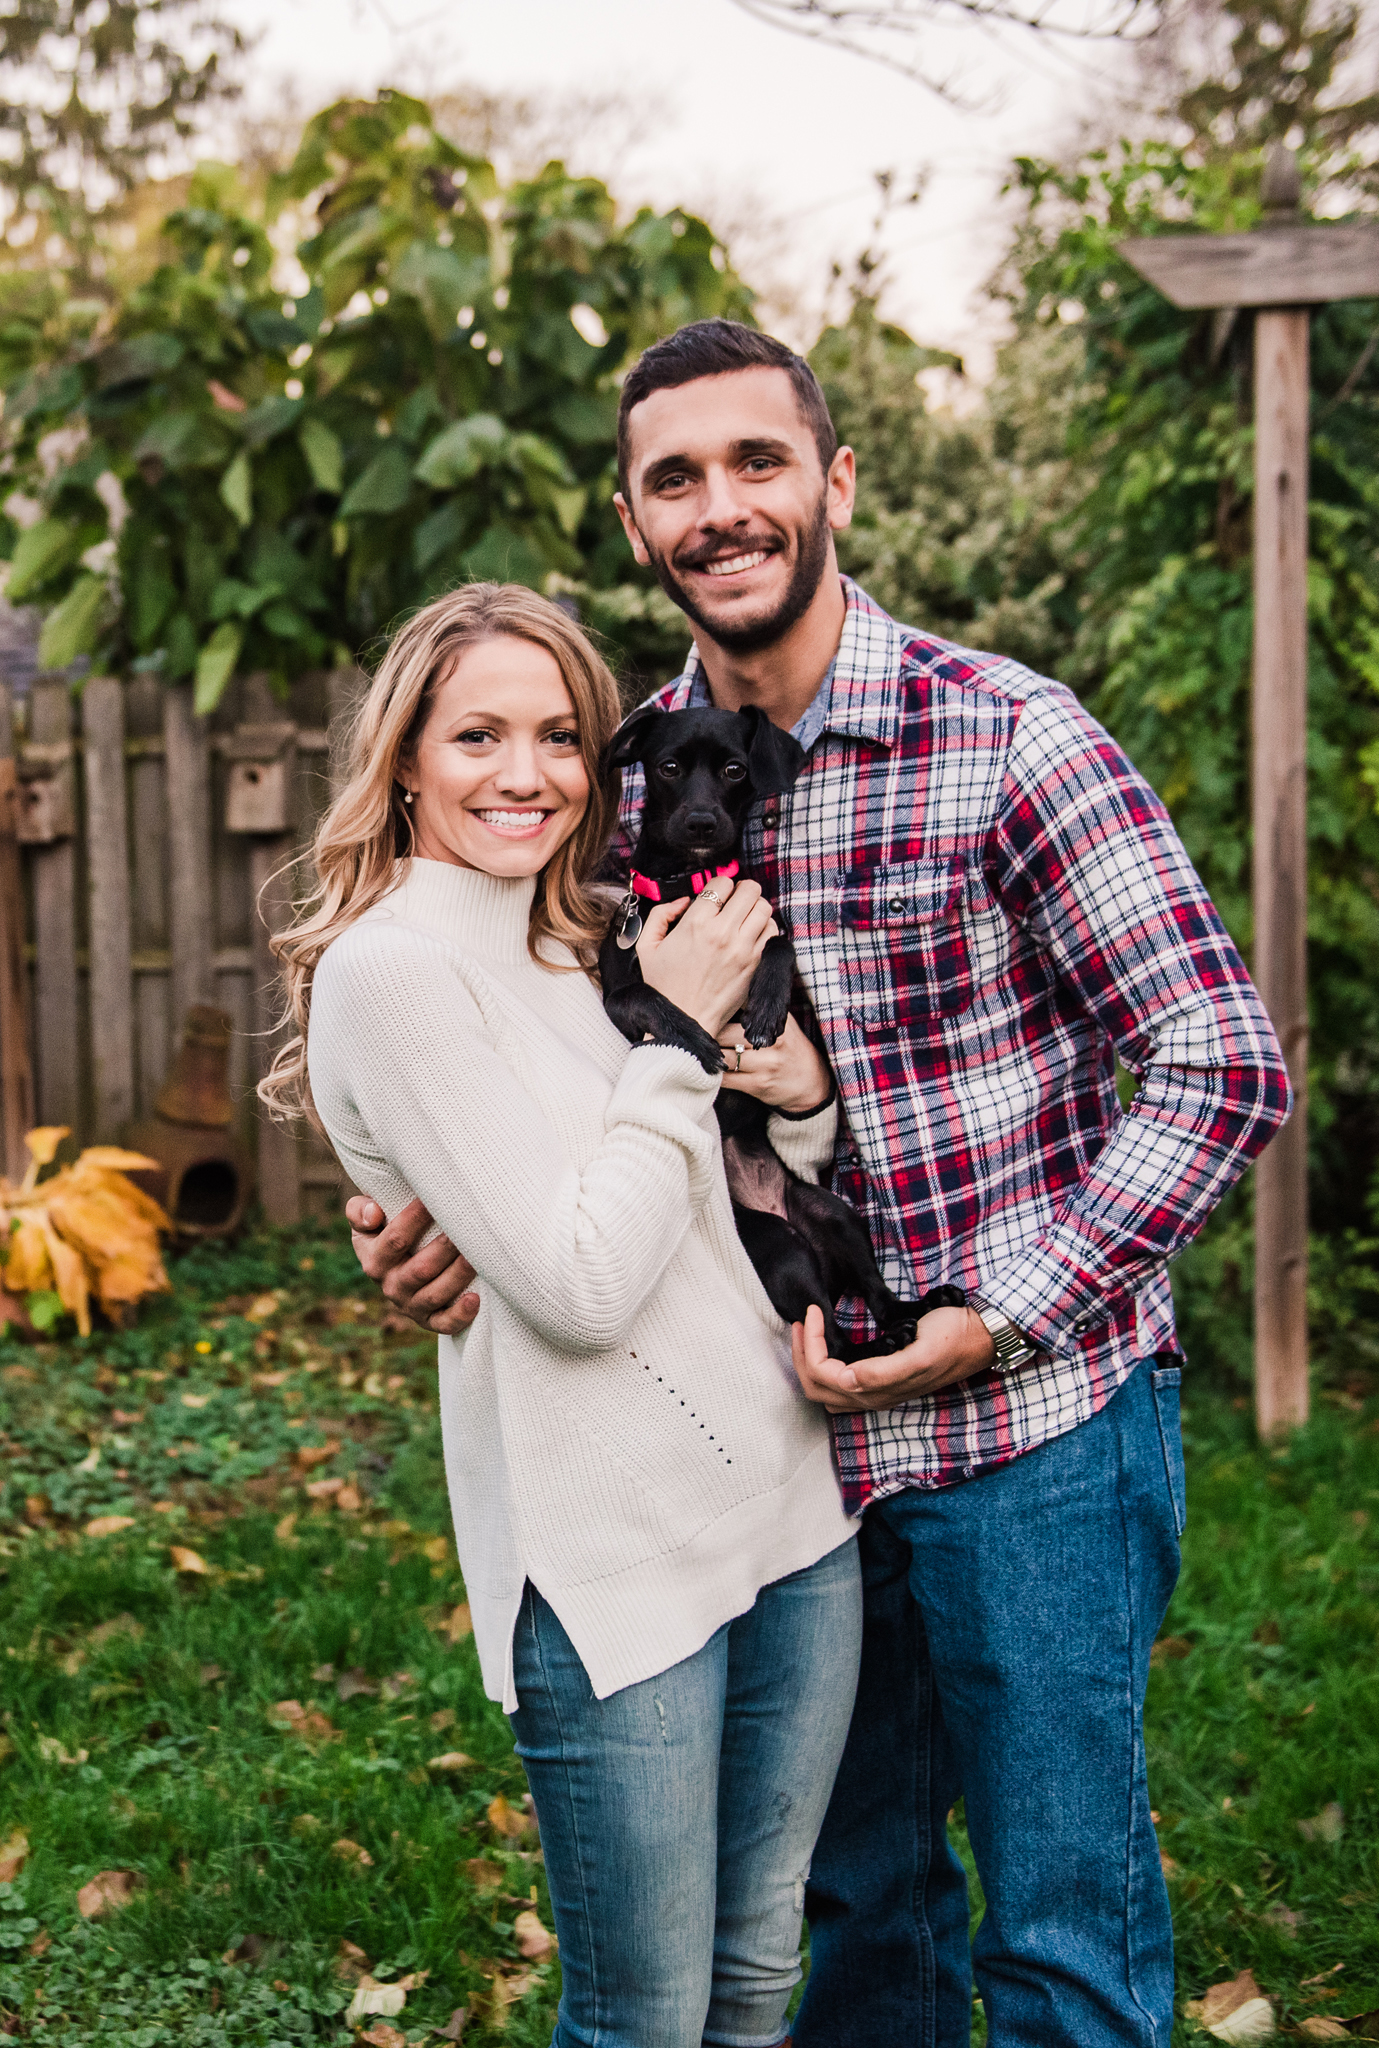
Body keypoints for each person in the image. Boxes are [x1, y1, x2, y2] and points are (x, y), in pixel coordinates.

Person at [346, 322, 1293, 2047]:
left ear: (836, 481)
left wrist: (1000, 1318)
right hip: (787, 1463)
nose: (722, 509)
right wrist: (416, 1219)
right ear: (636, 523)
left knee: (1063, 1931)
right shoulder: (608, 787)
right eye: (676, 480)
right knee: (859, 1925)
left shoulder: (1011, 736)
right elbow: (494, 1052)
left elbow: (1225, 1064)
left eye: (758, 463)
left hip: (1037, 1435)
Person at [259, 580, 865, 2048]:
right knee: (646, 2019)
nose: (524, 776)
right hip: (611, 1571)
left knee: (757, 1984)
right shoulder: (395, 973)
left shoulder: (594, 929)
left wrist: (795, 1099)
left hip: (792, 1510)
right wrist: (679, 1034)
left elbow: (729, 1196)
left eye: (559, 738)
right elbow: (585, 1287)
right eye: (477, 736)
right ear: (405, 757)